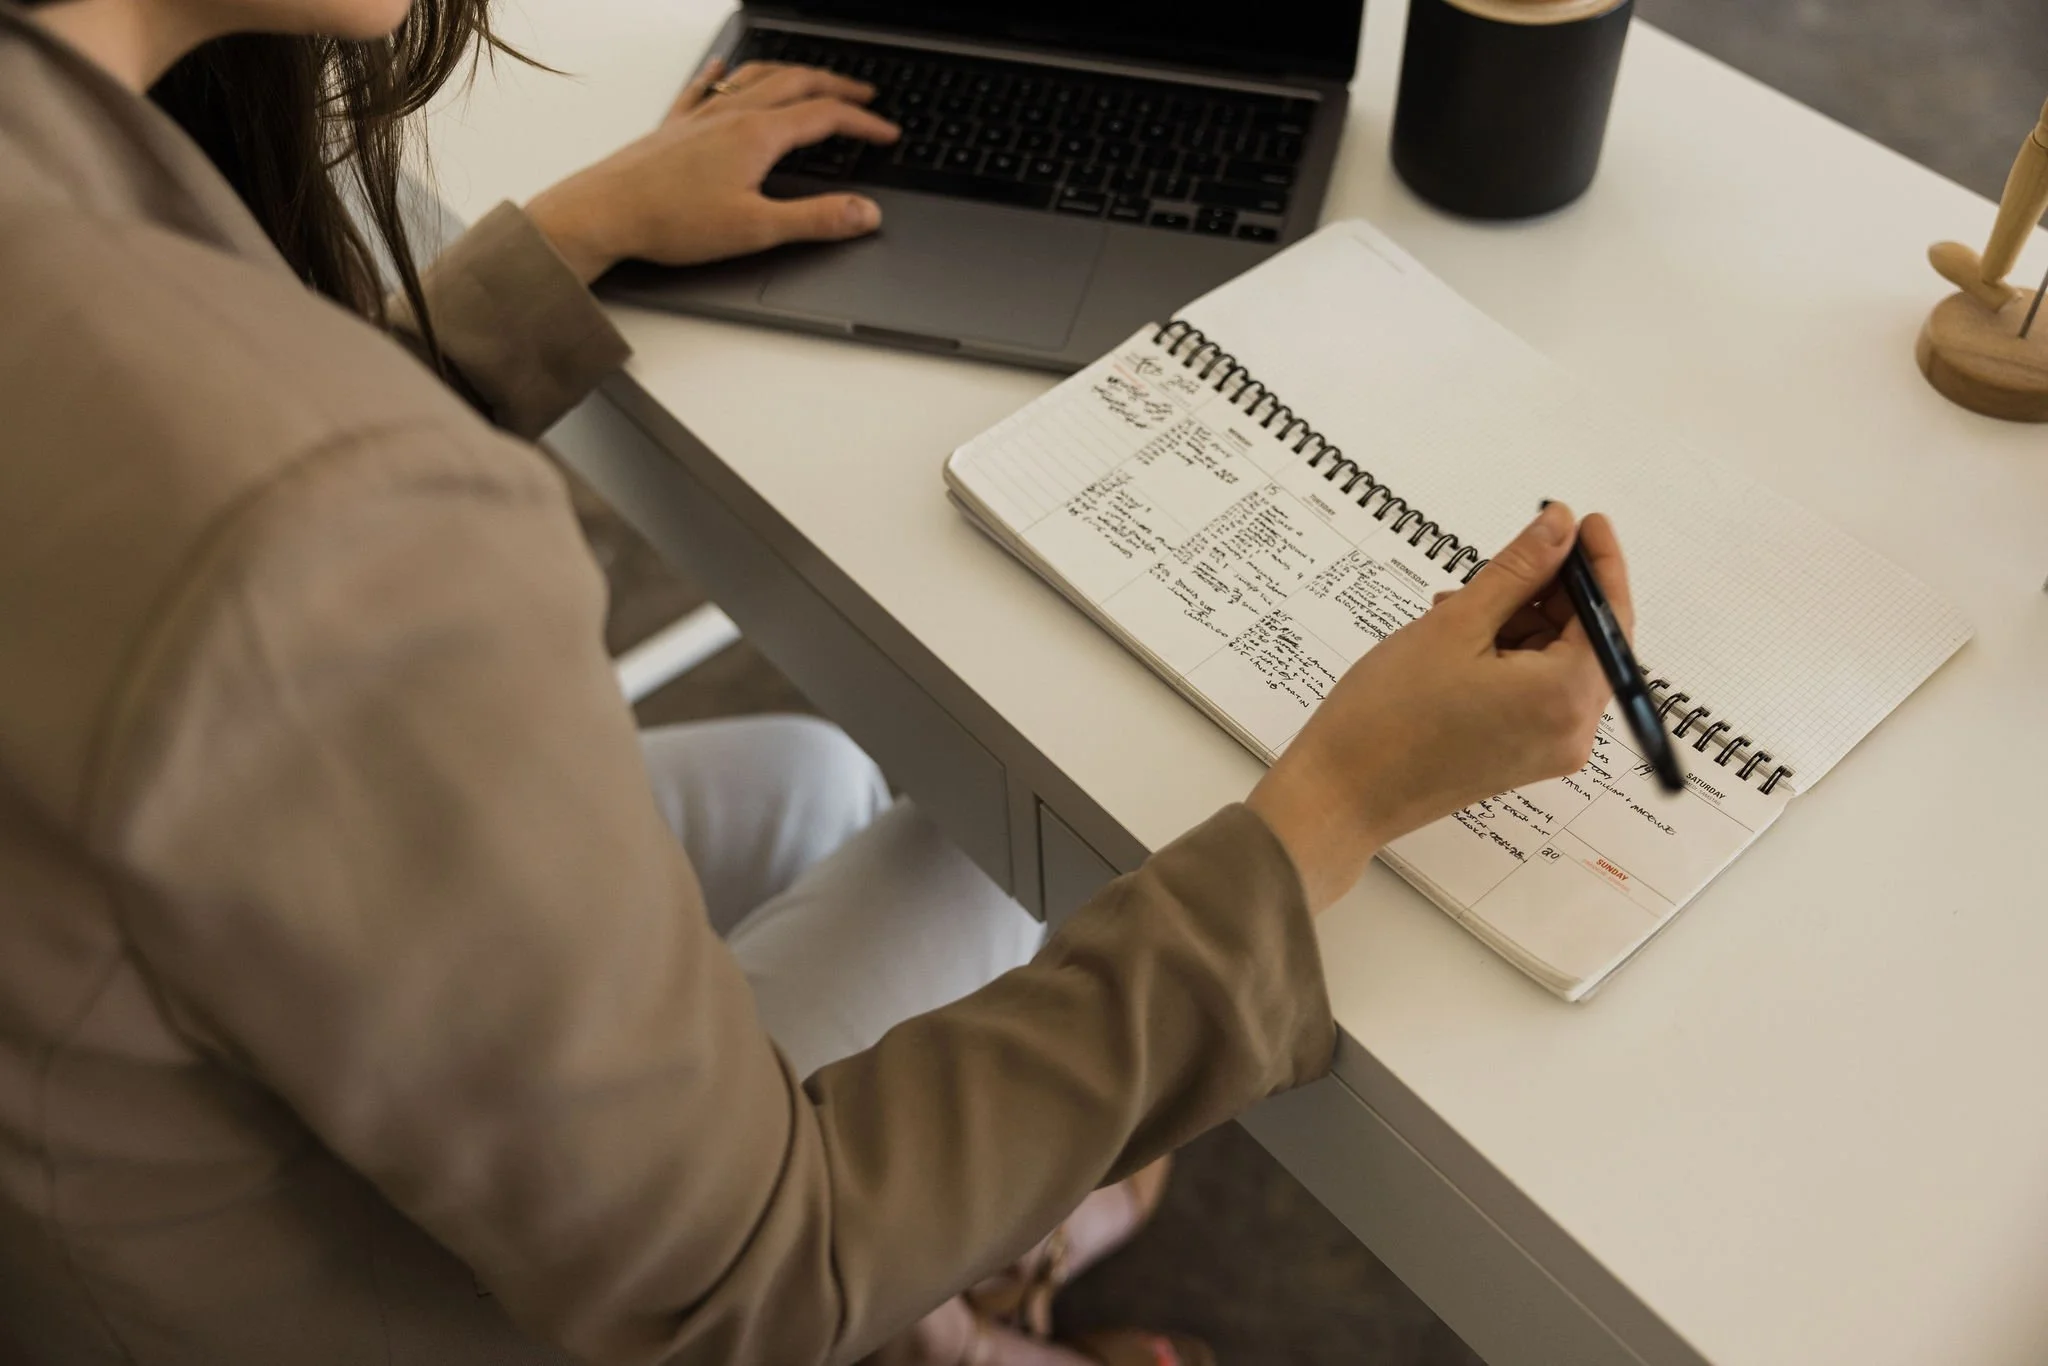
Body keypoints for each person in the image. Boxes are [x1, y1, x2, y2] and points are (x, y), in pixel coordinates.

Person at [0, 1, 1637, 1364]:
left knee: (810, 782)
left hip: (126, 1116)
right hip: (366, 1300)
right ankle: (963, 1306)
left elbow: (167, 489)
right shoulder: (327, 530)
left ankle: (965, 1280)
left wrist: (575, 234)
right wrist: (1338, 801)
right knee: (987, 861)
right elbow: (745, 1279)